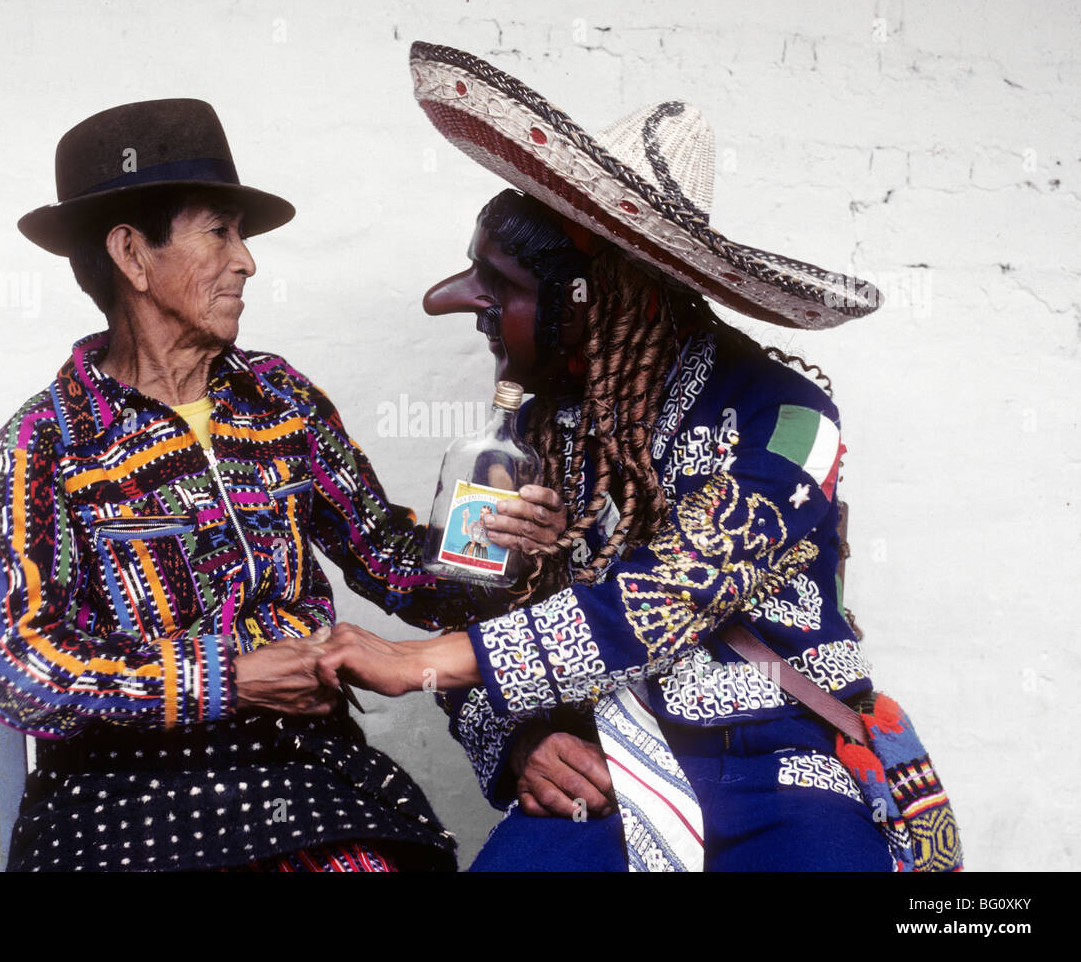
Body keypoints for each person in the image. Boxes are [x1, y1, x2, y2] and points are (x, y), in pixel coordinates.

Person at [319, 42, 961, 871]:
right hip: (603, 770)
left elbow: (680, 585)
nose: (459, 299)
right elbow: (466, 606)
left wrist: (423, 663)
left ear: (602, 294)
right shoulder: (523, 442)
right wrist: (523, 739)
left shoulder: (791, 419)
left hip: (784, 770)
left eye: (500, 283)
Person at [0, 98, 566, 872]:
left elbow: (386, 557)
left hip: (299, 774)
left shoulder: (279, 402)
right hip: (121, 800)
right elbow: (21, 672)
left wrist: (500, 548)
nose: (247, 260)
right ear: (132, 255)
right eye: (220, 231)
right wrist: (228, 679)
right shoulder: (46, 445)